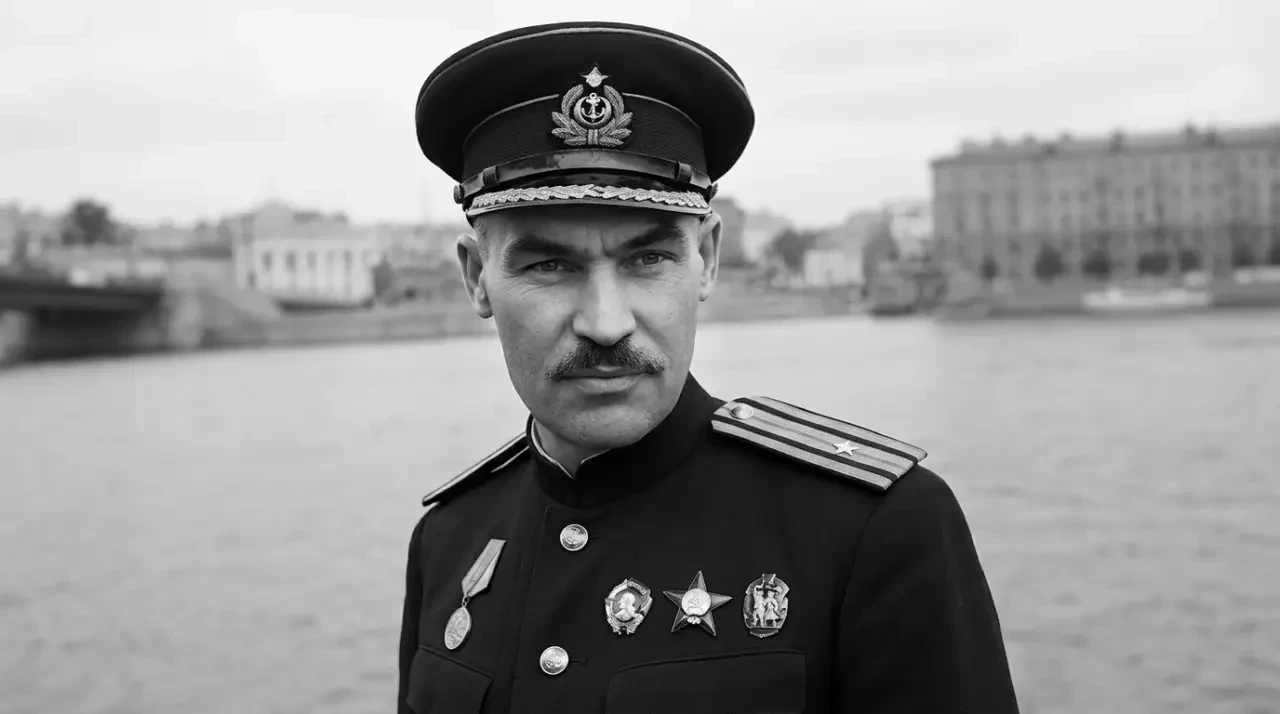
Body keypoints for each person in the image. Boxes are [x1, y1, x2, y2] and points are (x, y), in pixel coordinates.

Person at [399, 21, 1019, 714]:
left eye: (648, 259)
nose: (606, 322)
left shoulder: (872, 530)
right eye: (550, 265)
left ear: (708, 260)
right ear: (476, 278)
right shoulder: (448, 541)